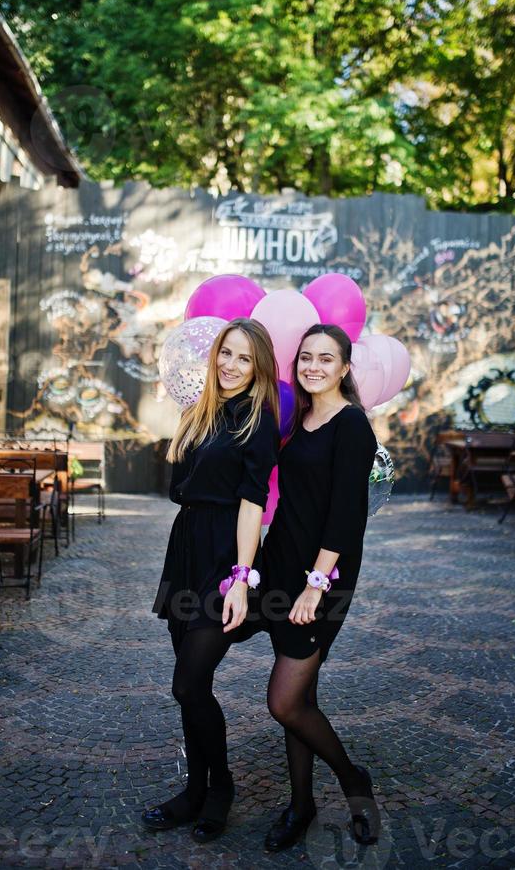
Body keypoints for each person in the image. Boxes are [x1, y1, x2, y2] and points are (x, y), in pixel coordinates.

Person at [144, 318, 280, 843]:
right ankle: (194, 792)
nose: (231, 365)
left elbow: (253, 504)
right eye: (227, 353)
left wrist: (242, 579)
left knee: (188, 682)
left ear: (259, 366)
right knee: (191, 687)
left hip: (226, 553)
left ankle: (219, 787)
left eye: (245, 358)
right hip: (186, 547)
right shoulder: (198, 412)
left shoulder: (257, 421)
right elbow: (182, 487)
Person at [260, 323, 380, 852]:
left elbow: (347, 516)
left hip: (322, 577)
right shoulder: (299, 418)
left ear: (345, 367)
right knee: (302, 696)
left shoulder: (352, 426)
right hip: (281, 566)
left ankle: (353, 779)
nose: (312, 366)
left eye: (325, 359)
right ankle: (300, 804)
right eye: (305, 357)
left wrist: (315, 585)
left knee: (284, 702)